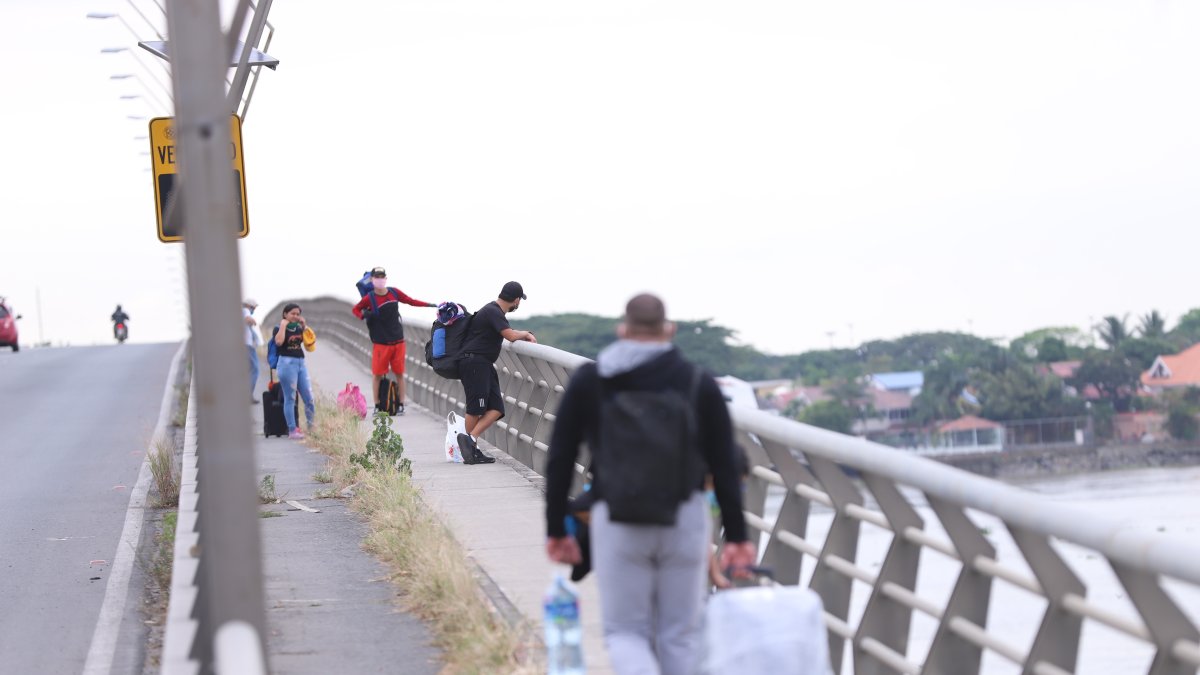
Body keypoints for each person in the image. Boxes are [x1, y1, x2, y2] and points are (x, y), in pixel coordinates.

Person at [543, 293, 756, 675]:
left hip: (617, 516)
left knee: (626, 633)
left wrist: (557, 528)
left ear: (622, 331)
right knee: (680, 636)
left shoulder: (591, 380)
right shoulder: (697, 382)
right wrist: (738, 537)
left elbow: (560, 457)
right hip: (684, 518)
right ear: (669, 330)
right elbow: (724, 464)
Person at [455, 281, 537, 464]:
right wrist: (526, 333)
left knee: (497, 408)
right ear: (516, 300)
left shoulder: (494, 311)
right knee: (475, 408)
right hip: (475, 363)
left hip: (483, 364)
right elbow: (510, 335)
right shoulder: (493, 311)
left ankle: (470, 442)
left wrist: (521, 333)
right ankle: (469, 449)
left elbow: (507, 331)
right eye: (519, 301)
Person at [350, 266, 437, 415]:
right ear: (372, 280)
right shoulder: (370, 298)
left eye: (382, 277)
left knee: (399, 374)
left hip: (398, 341)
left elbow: (410, 301)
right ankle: (377, 405)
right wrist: (363, 316)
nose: (380, 280)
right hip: (381, 343)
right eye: (377, 277)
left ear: (385, 278)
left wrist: (431, 305)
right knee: (377, 375)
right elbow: (355, 309)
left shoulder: (394, 292)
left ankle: (401, 404)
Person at [273, 303, 316, 440]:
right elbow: (279, 342)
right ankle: (292, 430)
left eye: (298, 314)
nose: (295, 316)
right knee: (290, 398)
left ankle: (311, 427)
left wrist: (304, 326)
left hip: (300, 363)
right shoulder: (278, 328)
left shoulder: (298, 328)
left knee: (309, 397)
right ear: (285, 314)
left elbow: (310, 344)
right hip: (286, 364)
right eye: (292, 313)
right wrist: (283, 325)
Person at [243, 298, 262, 403]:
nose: (253, 310)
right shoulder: (245, 310)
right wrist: (253, 321)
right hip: (247, 345)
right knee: (255, 369)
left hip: (245, 345)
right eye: (253, 308)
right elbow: (248, 319)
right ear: (249, 306)